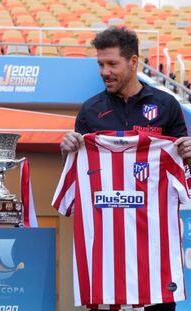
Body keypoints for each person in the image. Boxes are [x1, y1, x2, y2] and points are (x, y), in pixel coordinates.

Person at [60, 26, 191, 311]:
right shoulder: (90, 110)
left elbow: (184, 167)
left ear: (133, 62)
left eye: (112, 64)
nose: (105, 71)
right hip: (107, 257)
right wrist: (68, 150)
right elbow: (77, 175)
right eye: (100, 64)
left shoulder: (166, 104)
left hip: (155, 254)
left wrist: (188, 153)